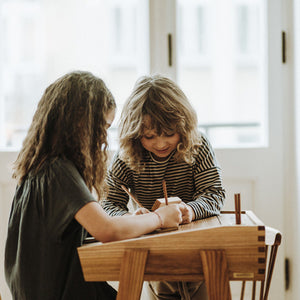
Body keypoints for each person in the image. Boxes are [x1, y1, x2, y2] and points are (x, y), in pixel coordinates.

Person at [4, 71, 184, 300]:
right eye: (102, 127)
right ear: (79, 123)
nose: (103, 138)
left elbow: (91, 225)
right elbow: (107, 230)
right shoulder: (58, 171)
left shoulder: (37, 170)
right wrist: (160, 218)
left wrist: (132, 220)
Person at [101, 74, 226, 300]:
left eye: (169, 134)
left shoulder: (198, 146)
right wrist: (132, 217)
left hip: (197, 251)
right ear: (136, 134)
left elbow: (214, 193)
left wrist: (191, 210)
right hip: (151, 254)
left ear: (184, 126)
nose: (160, 143)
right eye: (149, 136)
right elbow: (108, 203)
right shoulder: (126, 155)